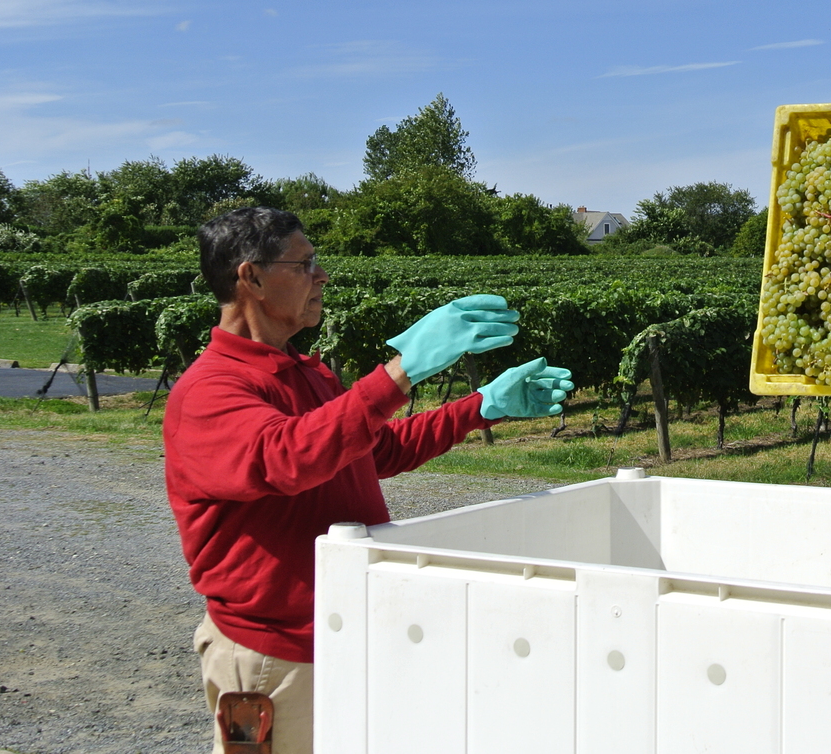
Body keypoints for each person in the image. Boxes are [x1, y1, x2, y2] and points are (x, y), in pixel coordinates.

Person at [163, 208, 573, 754]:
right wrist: (400, 373)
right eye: (305, 264)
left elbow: (377, 451)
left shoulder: (308, 373)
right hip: (271, 660)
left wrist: (484, 406)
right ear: (252, 278)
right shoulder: (210, 391)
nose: (321, 276)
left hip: (342, 633)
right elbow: (287, 459)